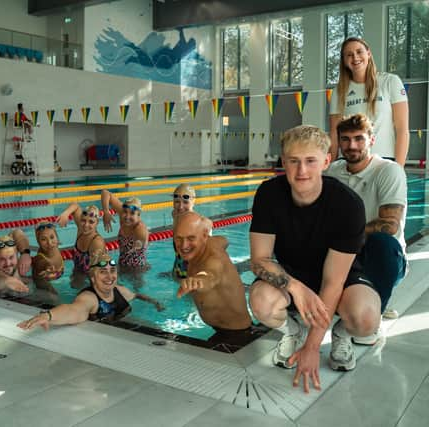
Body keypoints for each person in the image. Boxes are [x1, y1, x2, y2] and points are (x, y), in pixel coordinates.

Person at [249, 125, 376, 394]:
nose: (301, 171)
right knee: (261, 301)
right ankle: (293, 331)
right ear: (283, 162)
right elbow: (259, 261)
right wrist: (296, 287)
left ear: (326, 161)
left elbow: (333, 281)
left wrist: (313, 347)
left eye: (310, 161)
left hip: (341, 277)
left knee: (366, 319)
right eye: (293, 161)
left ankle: (341, 334)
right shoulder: (269, 194)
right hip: (292, 274)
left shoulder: (347, 205)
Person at [327, 113, 407, 321]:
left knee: (383, 242)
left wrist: (347, 236)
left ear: (372, 140)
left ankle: (375, 310)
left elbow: (390, 225)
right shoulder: (332, 172)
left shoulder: (388, 172)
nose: (352, 145)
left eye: (359, 138)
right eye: (345, 139)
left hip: (379, 257)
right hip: (342, 252)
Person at [17, 252, 163, 331]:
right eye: (103, 272)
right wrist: (49, 316)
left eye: (112, 271)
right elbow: (73, 310)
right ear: (93, 278)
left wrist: (155, 302)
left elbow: (136, 295)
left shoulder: (119, 290)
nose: (109, 277)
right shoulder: (89, 298)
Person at [329, 37, 409, 166]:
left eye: (359, 52)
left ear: (368, 53)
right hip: (349, 162)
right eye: (349, 55)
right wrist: (329, 167)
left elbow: (402, 129)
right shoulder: (339, 91)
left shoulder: (390, 82)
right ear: (344, 61)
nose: (355, 57)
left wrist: (398, 168)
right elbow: (334, 133)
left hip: (384, 160)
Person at [174, 212, 252, 334]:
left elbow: (211, 275)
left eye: (191, 238)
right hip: (220, 329)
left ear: (204, 236)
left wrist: (198, 280)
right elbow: (224, 240)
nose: (184, 245)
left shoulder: (214, 260)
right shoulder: (213, 242)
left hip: (236, 336)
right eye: (179, 238)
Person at [100, 190, 149, 269]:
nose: (127, 216)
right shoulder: (122, 215)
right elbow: (105, 193)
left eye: (132, 213)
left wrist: (139, 243)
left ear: (139, 215)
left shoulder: (140, 228)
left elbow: (140, 244)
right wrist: (106, 212)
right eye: (125, 212)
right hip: (122, 264)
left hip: (137, 269)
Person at [56, 204, 106, 273]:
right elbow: (75, 206)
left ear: (97, 223)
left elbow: (98, 273)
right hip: (76, 275)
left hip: (88, 280)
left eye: (91, 222)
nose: (86, 225)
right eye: (83, 220)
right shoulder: (81, 230)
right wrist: (65, 214)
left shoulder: (97, 243)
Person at [32, 222, 65, 292]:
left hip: (59, 281)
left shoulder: (55, 246)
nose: (49, 243)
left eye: (52, 237)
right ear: (39, 243)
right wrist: (48, 271)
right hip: (45, 286)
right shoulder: (41, 260)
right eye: (43, 239)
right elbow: (40, 265)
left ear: (57, 238)